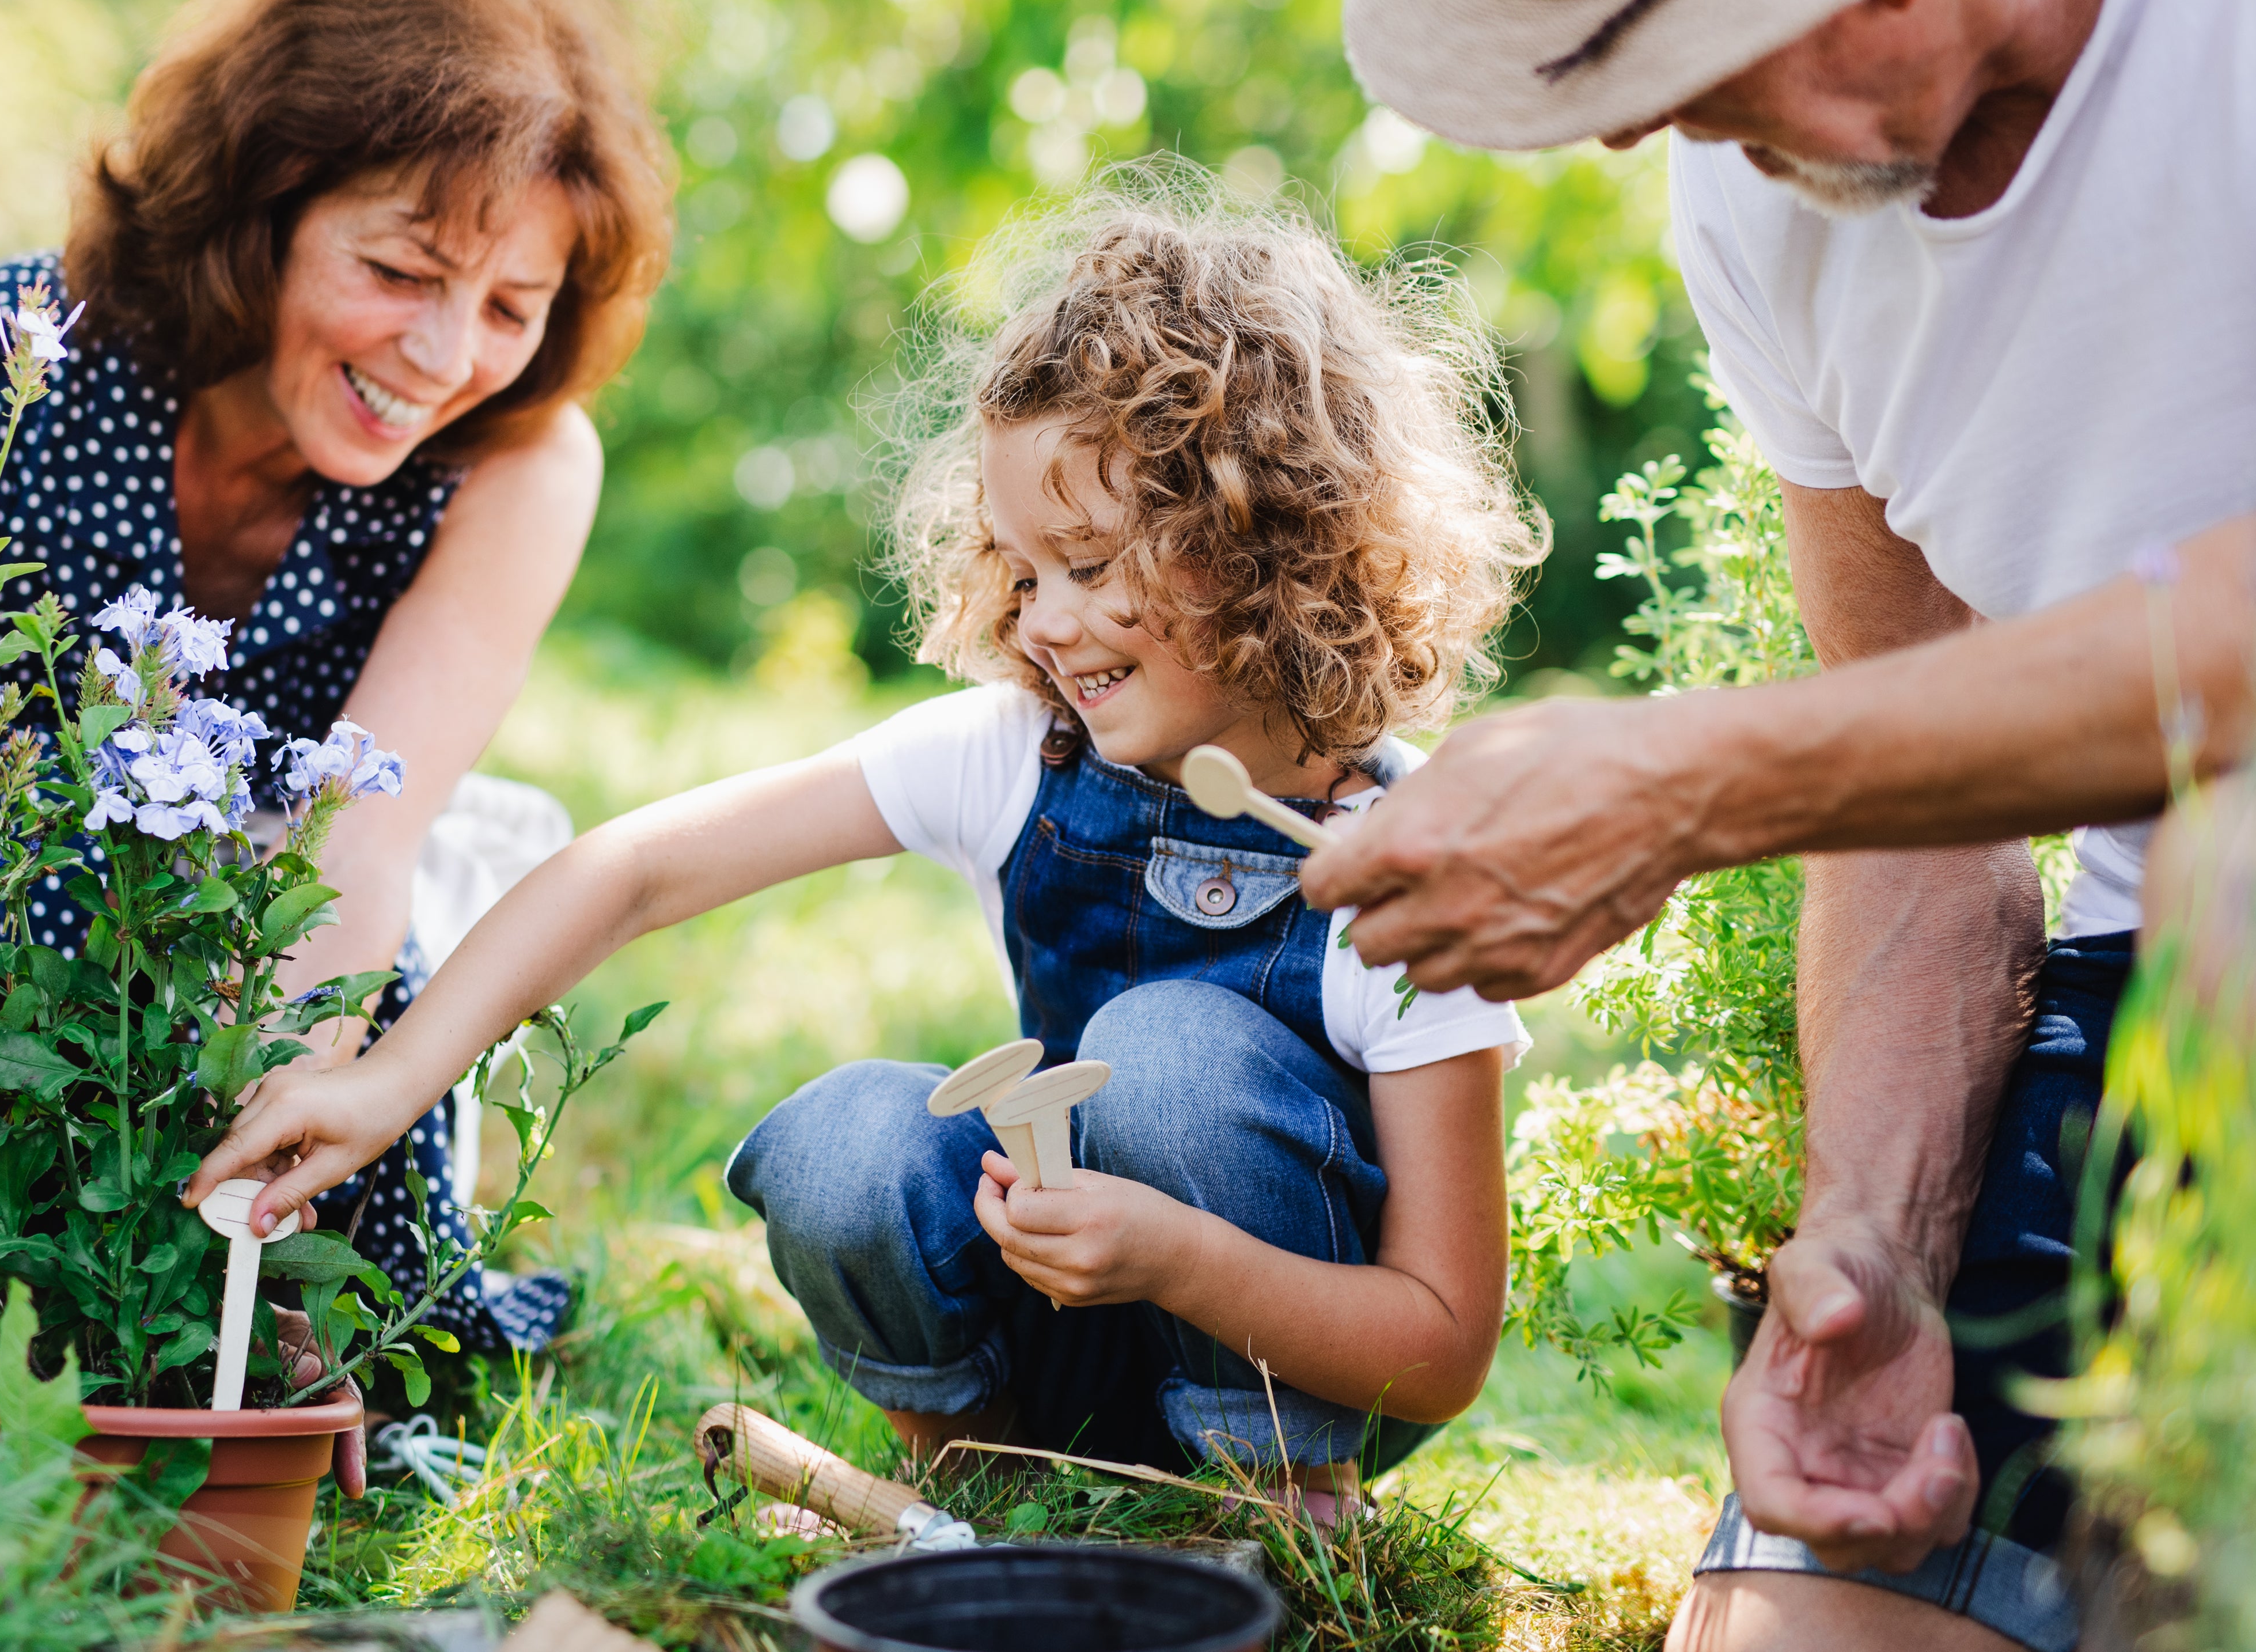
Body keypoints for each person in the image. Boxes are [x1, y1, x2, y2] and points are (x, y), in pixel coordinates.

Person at [1326, 0, 2256, 1646]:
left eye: (1662, 57)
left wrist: (1687, 778)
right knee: (1815, 1615)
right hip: (2165, 999)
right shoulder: (1761, 210)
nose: (1628, 130)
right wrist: (1875, 1241)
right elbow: (1919, 788)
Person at [185, 187, 1547, 1512]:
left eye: (1091, 563)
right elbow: (640, 869)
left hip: (1295, 1348)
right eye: (1023, 571)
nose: (1049, 623)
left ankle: (1282, 1502)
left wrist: (1175, 1253)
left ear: (1262, 539)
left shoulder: (1400, 871)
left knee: (1178, 1057)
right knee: (846, 1139)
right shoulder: (1020, 753)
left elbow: (1438, 1345)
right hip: (1064, 1302)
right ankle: (976, 1476)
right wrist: (391, 1074)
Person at [0, 0, 674, 1419]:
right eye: (399, 270)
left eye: (512, 306)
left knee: (373, 1307)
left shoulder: (520, 460)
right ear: (262, 215)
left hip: (286, 934)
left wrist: (243, 1176)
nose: (448, 354)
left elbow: (356, 840)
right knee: (4, 1250)